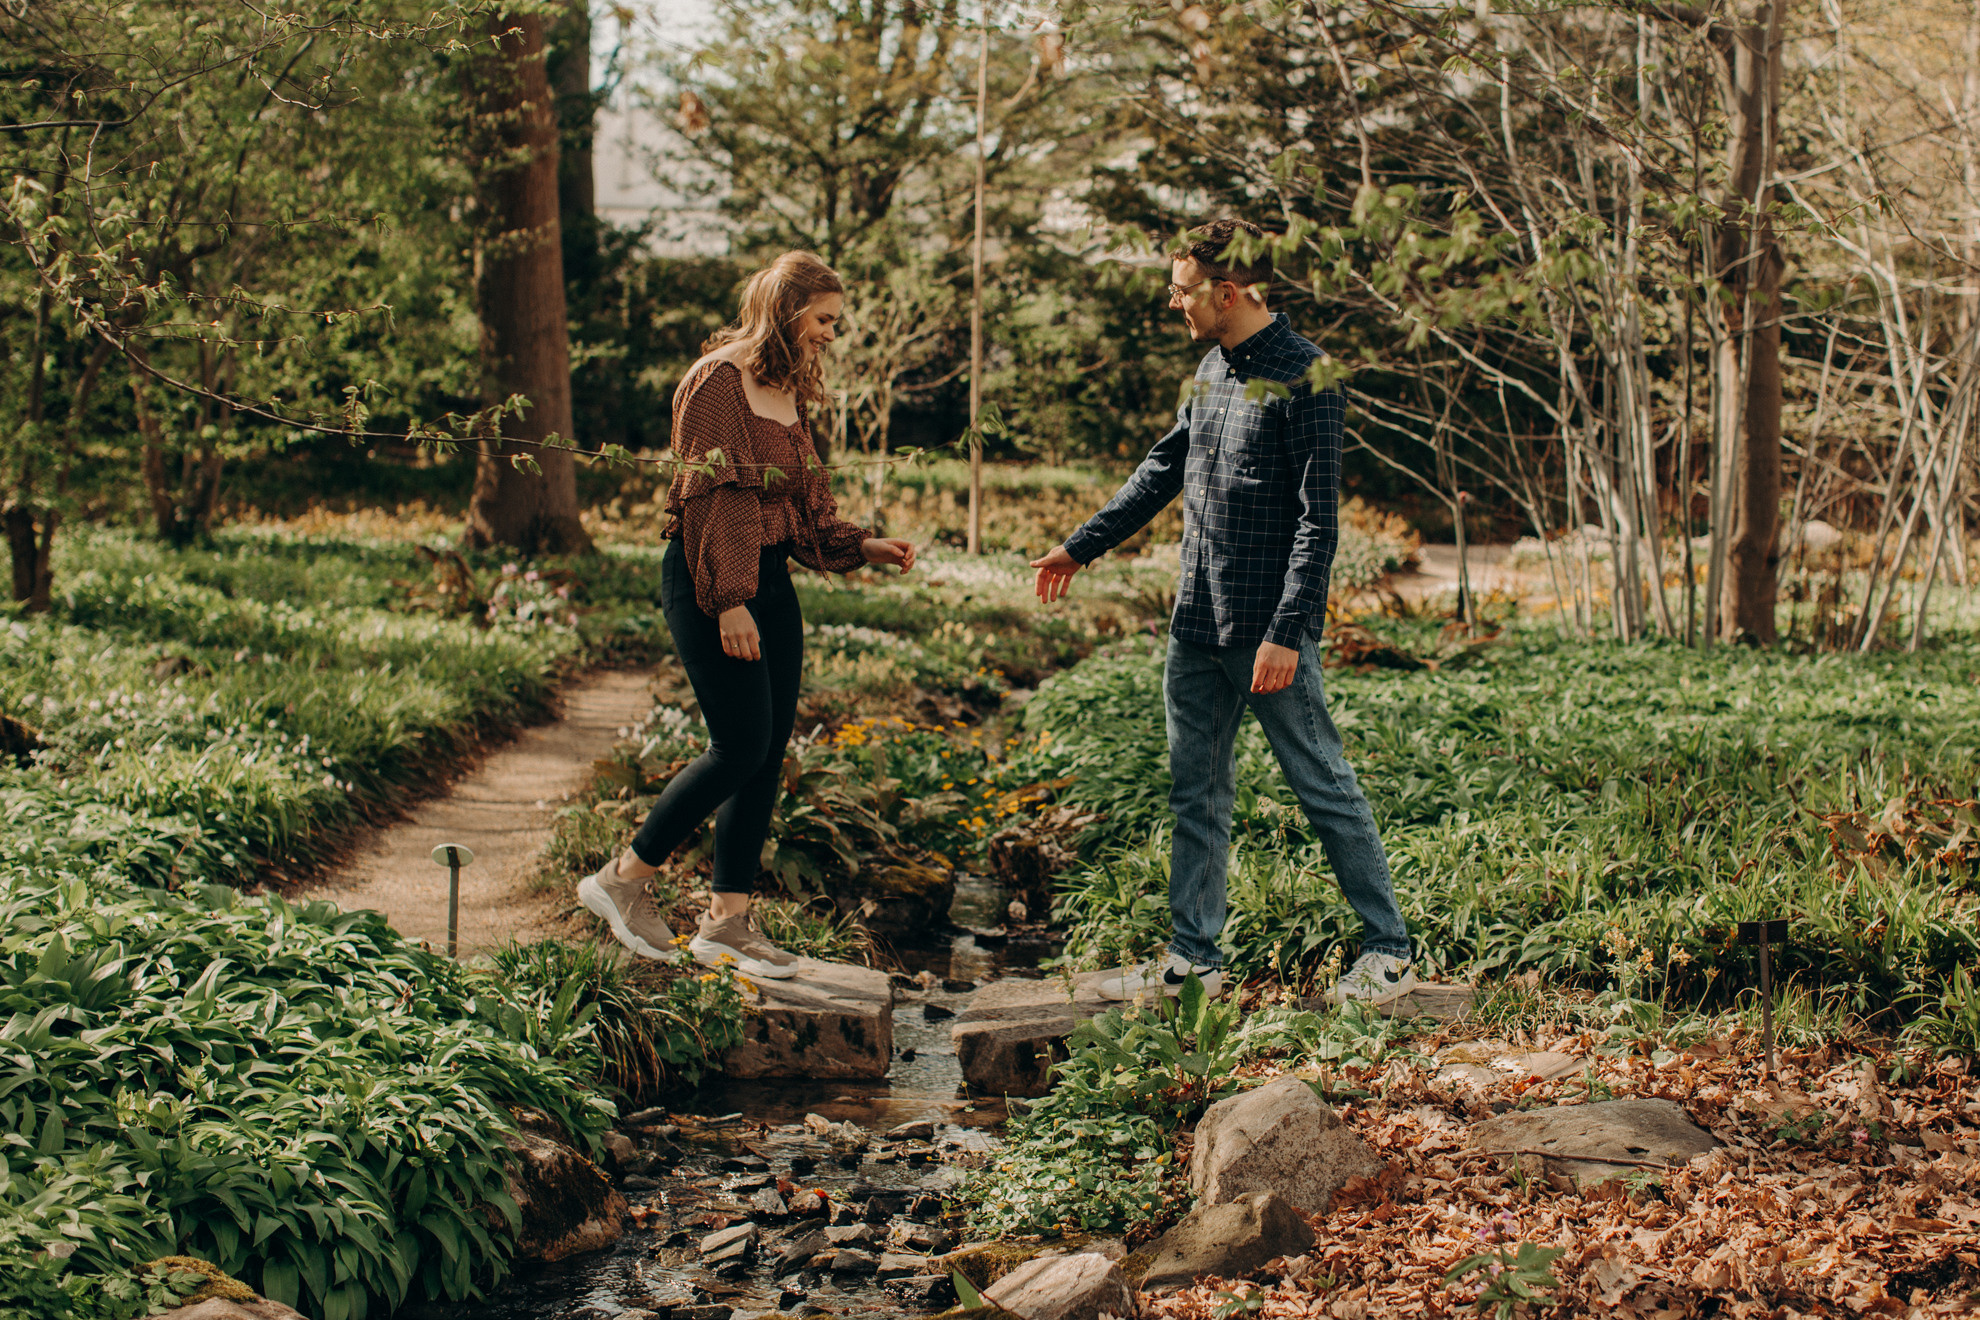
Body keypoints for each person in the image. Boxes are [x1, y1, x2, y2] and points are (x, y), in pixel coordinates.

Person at [1030, 219, 1415, 1007]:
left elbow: (1318, 522)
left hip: (1264, 634)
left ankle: (1390, 952)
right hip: (1195, 623)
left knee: (1324, 785)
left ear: (1227, 292)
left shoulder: (1308, 376)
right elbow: (1162, 468)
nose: (1174, 303)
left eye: (1182, 291)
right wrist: (1080, 547)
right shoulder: (1212, 366)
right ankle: (1193, 959)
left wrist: (1286, 633)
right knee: (1196, 794)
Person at [580, 251, 916, 979]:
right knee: (739, 745)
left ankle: (726, 923)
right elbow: (711, 498)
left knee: (766, 752)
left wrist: (860, 544)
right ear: (788, 310)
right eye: (823, 319)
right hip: (709, 577)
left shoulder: (785, 389)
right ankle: (623, 879)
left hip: (768, 581)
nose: (831, 334)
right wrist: (729, 599)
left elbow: (804, 501)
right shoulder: (717, 382)